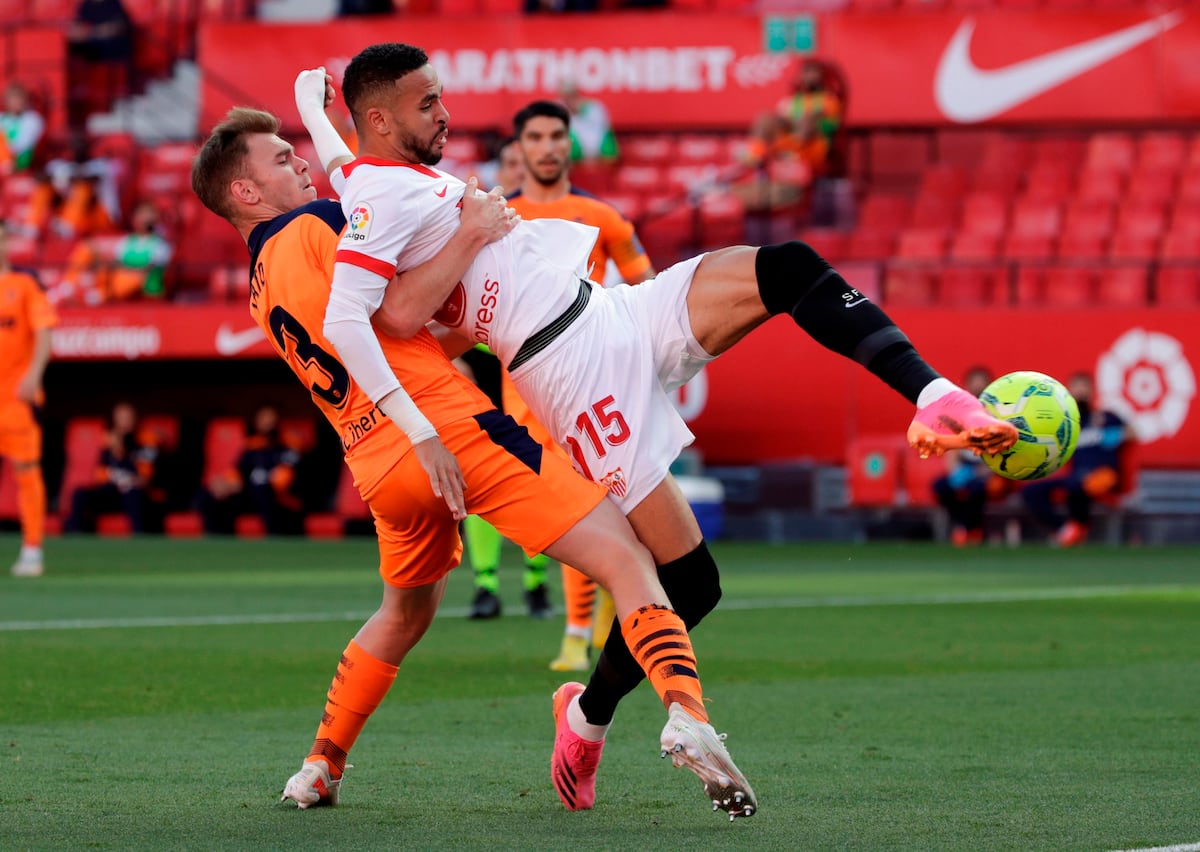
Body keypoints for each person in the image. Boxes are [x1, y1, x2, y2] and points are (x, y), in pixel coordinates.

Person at [297, 45, 1016, 817]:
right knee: (689, 580)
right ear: (381, 118)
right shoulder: (380, 196)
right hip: (570, 372)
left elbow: (351, 170)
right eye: (427, 102)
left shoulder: (375, 178)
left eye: (440, 97)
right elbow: (376, 316)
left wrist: (313, 110)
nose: (445, 112)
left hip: (614, 310)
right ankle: (627, 718)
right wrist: (470, 238)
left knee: (789, 267)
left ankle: (935, 395)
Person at [190, 103, 757, 819]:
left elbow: (393, 338)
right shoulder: (314, 226)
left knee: (401, 613)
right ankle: (687, 713)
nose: (298, 162)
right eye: (278, 159)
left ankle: (320, 764)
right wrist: (471, 233)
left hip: (375, 465)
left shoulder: (259, 285)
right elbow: (397, 308)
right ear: (245, 193)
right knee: (628, 560)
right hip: (445, 431)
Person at [507, 98, 656, 670]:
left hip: (595, 390)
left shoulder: (605, 218)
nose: (547, 147)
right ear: (519, 147)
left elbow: (647, 292)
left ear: (569, 143)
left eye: (556, 136)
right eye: (536, 137)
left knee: (607, 516)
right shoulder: (499, 218)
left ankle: (583, 633)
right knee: (569, 521)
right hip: (524, 396)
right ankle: (587, 626)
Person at [1021, 370, 1136, 546]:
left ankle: (1079, 528)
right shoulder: (1066, 423)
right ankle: (1066, 529)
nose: (1081, 391)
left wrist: (1108, 435)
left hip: (1104, 475)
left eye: (1085, 387)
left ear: (1092, 390)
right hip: (1076, 476)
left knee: (1080, 484)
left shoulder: (1105, 417)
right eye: (1077, 387)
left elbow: (1133, 433)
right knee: (1031, 491)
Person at [0, 221, 56, 577]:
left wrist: (34, 374)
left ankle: (32, 548)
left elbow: (44, 330)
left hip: (15, 398)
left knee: (26, 471)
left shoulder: (24, 284)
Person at [197, 404, 306, 536]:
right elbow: (237, 472)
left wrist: (270, 482)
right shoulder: (252, 445)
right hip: (250, 496)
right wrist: (227, 485)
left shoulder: (288, 444)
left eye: (271, 418)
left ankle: (274, 542)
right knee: (208, 495)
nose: (268, 422)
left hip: (277, 499)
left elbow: (285, 478)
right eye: (263, 418)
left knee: (262, 490)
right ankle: (217, 540)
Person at [931, 366, 1010, 546]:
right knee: (941, 486)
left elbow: (1003, 450)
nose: (977, 388)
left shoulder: (999, 415)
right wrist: (956, 472)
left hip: (990, 469)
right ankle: (962, 525)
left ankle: (970, 529)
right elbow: (952, 446)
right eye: (974, 383)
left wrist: (986, 470)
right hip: (967, 466)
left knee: (977, 489)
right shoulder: (960, 415)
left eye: (981, 383)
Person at [64, 401, 163, 534]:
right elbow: (99, 474)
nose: (124, 423)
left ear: (135, 419)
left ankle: (139, 540)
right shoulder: (109, 440)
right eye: (120, 418)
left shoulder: (147, 439)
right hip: (112, 492)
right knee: (80, 494)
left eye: (128, 418)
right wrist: (114, 452)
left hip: (136, 495)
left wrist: (122, 453)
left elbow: (143, 479)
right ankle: (75, 537)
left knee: (133, 495)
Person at [0, 82, 46, 174]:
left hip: (21, 159)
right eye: (12, 98)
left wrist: (7, 153)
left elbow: (25, 144)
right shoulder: (2, 118)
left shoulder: (33, 120)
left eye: (18, 98)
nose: (16, 102)